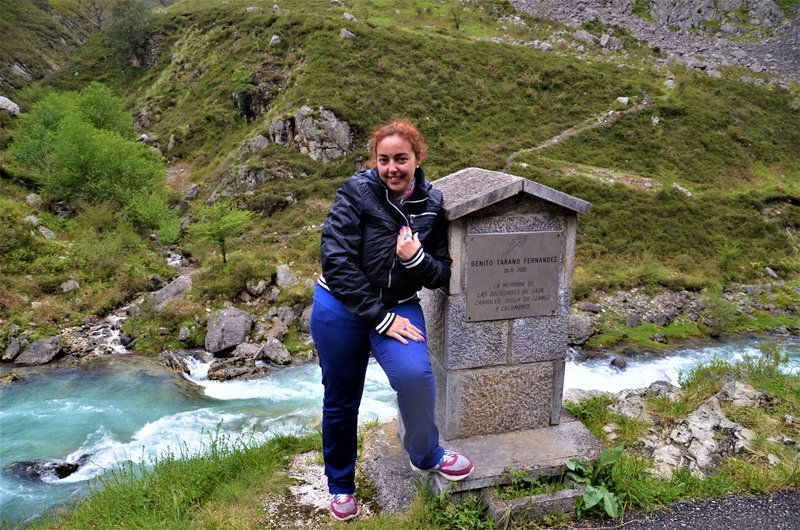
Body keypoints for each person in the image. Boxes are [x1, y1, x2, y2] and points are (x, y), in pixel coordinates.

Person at [310, 120, 474, 521]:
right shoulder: (355, 192)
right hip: (340, 307)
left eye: (401, 159)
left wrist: (415, 259)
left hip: (399, 304)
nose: (392, 168)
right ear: (375, 162)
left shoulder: (432, 204)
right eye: (384, 160)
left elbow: (441, 273)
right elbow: (336, 260)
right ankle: (341, 486)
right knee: (342, 399)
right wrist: (379, 318)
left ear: (418, 159)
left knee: (416, 376)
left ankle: (425, 454)